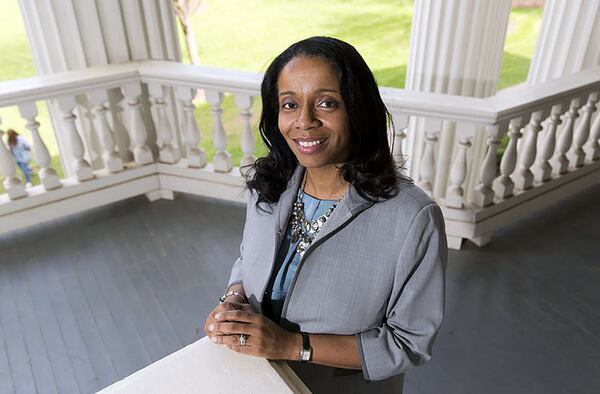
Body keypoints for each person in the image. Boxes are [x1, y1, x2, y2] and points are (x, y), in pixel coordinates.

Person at [204, 36, 447, 393]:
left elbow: (408, 344)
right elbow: (247, 261)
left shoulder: (413, 218)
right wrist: (233, 301)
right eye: (289, 104)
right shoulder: (269, 186)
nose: (304, 121)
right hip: (253, 378)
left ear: (358, 111)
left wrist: (289, 345)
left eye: (326, 103)